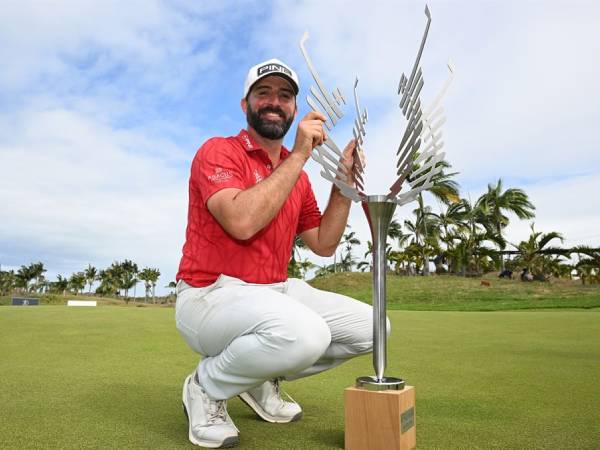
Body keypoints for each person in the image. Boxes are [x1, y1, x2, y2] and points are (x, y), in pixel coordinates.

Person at [175, 58, 387, 448]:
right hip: (209, 295)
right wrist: (300, 155)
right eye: (264, 93)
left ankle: (255, 377)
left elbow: (323, 244)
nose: (274, 102)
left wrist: (343, 182)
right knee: (305, 334)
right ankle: (206, 386)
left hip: (272, 291)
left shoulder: (298, 178)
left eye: (285, 96)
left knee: (376, 329)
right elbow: (240, 220)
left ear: (293, 108)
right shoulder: (219, 151)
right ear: (245, 104)